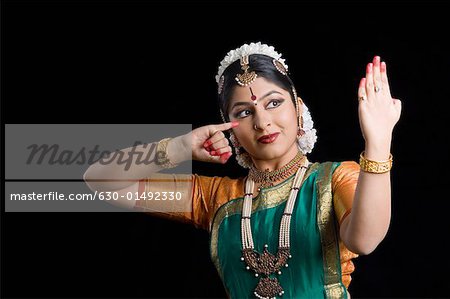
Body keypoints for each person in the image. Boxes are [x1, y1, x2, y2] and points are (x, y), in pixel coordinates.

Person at [84, 42, 402, 298]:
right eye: (245, 111)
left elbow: (364, 240)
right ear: (232, 131)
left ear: (298, 108)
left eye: (274, 103)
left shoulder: (333, 180)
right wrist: (180, 148)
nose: (262, 122)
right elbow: (101, 181)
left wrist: (378, 142)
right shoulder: (215, 199)